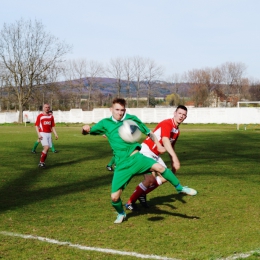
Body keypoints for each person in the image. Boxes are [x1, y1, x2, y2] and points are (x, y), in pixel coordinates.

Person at [82, 98, 197, 224]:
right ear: (111, 109)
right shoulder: (105, 123)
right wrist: (85, 129)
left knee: (160, 168)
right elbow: (88, 131)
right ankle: (121, 213)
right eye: (117, 110)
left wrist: (157, 144)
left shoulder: (131, 119)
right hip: (121, 165)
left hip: (137, 158)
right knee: (114, 198)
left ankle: (180, 188)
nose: (120, 113)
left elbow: (148, 132)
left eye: (122, 110)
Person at [125, 105, 191, 210]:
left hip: (155, 155)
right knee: (150, 179)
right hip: (146, 151)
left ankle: (142, 193)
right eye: (180, 113)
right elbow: (165, 140)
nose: (181, 116)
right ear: (175, 113)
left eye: (184, 115)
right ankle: (130, 202)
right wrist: (175, 158)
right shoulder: (167, 123)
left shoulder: (177, 131)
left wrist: (172, 162)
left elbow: (170, 146)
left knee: (166, 176)